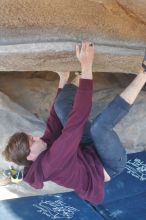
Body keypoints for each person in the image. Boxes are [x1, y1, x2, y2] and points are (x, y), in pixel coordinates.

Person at [2, 42, 146, 205]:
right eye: (32, 141)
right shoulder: (53, 161)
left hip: (86, 151)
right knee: (99, 128)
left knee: (60, 107)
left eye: (32, 137)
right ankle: (144, 73)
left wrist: (63, 80)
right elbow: (78, 117)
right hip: (109, 165)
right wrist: (87, 66)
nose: (36, 137)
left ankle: (78, 72)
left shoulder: (42, 150)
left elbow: (54, 120)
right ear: (30, 156)